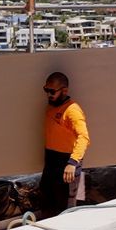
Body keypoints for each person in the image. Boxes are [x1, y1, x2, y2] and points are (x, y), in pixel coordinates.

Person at [40, 72, 89, 218]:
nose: (48, 94)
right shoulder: (51, 107)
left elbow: (84, 137)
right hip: (51, 161)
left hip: (67, 163)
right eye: (46, 90)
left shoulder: (72, 111)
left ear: (64, 90)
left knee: (66, 210)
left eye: (52, 91)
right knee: (47, 203)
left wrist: (72, 163)